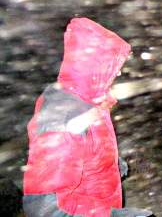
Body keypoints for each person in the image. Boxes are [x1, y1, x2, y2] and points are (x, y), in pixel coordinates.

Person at [23, 18, 152, 217]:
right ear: (94, 65)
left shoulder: (85, 99)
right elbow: (48, 209)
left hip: (99, 202)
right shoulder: (66, 117)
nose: (117, 72)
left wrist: (110, 160)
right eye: (113, 65)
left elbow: (84, 149)